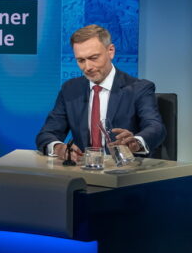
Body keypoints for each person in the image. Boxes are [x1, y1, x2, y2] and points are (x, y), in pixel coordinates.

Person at [36, 24, 165, 160]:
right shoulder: (70, 89)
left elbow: (156, 127)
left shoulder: (139, 88)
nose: (88, 67)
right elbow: (47, 134)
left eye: (93, 58)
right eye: (81, 60)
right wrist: (58, 148)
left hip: (126, 171)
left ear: (110, 51)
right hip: (82, 173)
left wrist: (136, 142)